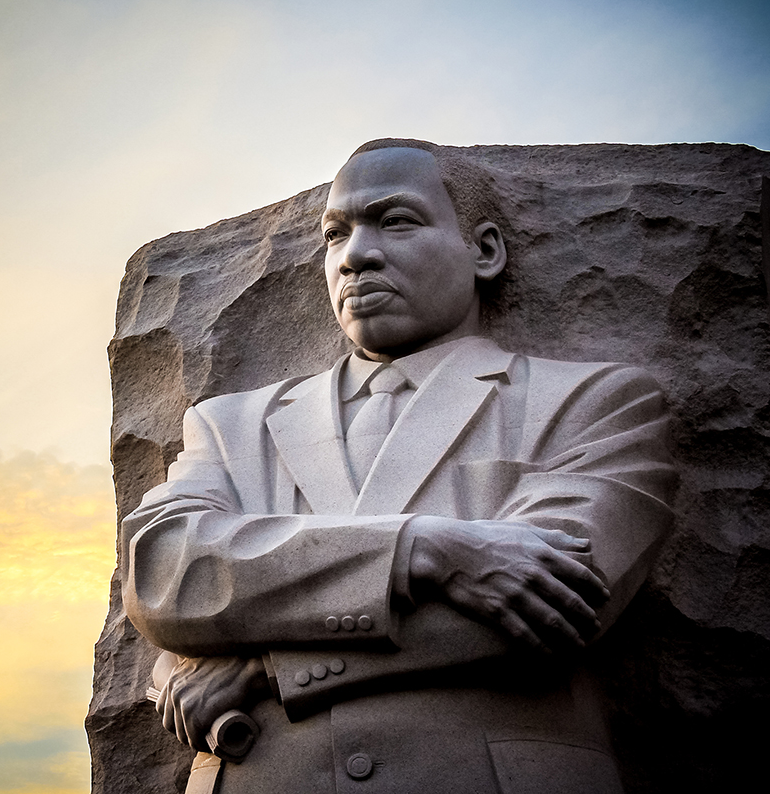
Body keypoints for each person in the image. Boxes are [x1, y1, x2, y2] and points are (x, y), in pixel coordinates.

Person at [120, 139, 677, 794]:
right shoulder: (230, 426)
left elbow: (559, 599)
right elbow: (163, 574)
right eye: (336, 235)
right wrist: (424, 549)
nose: (355, 255)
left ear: (485, 250)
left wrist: (261, 665)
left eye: (397, 220)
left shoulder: (592, 404)